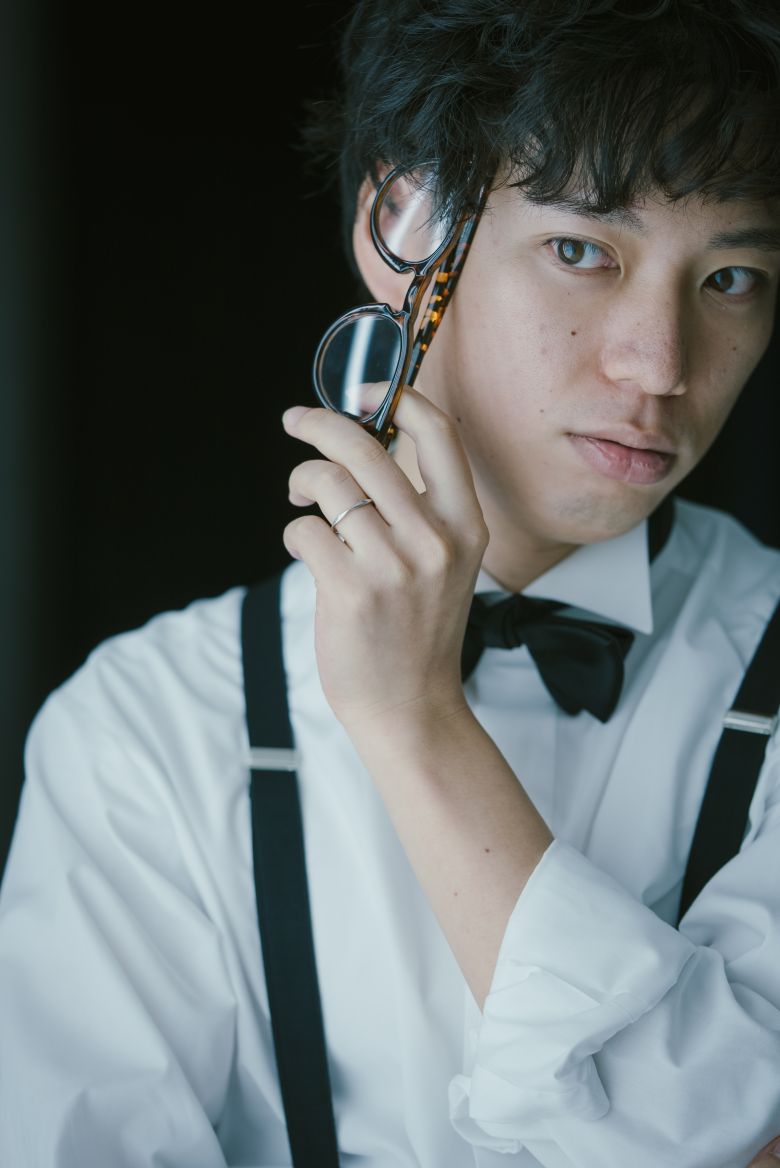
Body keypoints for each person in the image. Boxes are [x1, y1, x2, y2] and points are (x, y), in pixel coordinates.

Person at [1, 0, 780, 1165]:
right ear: (406, 226)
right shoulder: (149, 731)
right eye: (582, 252)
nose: (660, 365)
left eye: (732, 277)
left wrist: (415, 720)